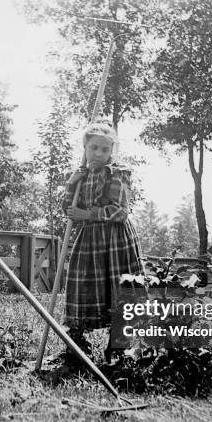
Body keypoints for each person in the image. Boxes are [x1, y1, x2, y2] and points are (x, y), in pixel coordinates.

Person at [62, 121, 144, 361]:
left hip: (115, 240)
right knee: (82, 287)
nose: (99, 154)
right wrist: (71, 183)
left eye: (104, 150)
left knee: (118, 289)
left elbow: (120, 211)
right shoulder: (81, 175)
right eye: (94, 148)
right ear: (85, 147)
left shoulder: (117, 173)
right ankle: (76, 350)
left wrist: (88, 214)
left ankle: (118, 350)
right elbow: (68, 209)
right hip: (89, 241)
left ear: (112, 151)